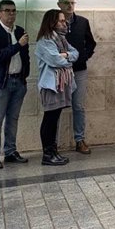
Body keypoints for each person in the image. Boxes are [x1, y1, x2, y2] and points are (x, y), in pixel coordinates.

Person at [0, 0, 30, 169]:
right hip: (0, 83)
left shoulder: (20, 31)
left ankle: (10, 151)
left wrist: (25, 75)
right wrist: (18, 45)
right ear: (0, 13)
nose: (11, 14)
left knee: (13, 119)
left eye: (13, 11)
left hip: (18, 81)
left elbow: (26, 57)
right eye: (7, 11)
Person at [35, 9, 79, 166]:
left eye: (64, 20)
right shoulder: (45, 41)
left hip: (61, 84)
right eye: (61, 20)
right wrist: (66, 58)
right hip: (51, 86)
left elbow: (75, 53)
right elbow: (55, 61)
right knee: (50, 119)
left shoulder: (62, 40)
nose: (64, 23)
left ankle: (53, 151)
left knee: (54, 119)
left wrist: (65, 55)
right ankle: (47, 154)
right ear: (52, 22)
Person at [58, 0, 96, 155]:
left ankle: (79, 140)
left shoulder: (82, 22)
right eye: (66, 3)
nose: (70, 6)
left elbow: (91, 43)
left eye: (72, 3)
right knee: (57, 107)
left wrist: (83, 56)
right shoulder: (55, 23)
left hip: (79, 70)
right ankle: (53, 144)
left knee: (78, 106)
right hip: (60, 71)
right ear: (59, 4)